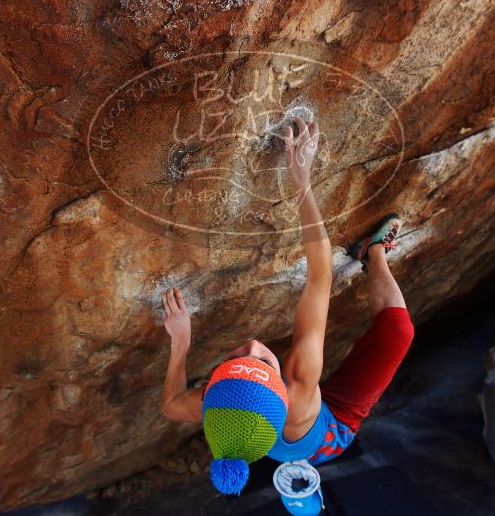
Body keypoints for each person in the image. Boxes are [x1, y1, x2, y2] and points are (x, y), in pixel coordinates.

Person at [160, 116, 415, 495]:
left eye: (236, 359)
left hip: (271, 422)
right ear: (280, 386)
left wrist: (180, 342)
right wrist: (301, 181)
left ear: (216, 383)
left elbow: (168, 406)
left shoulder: (215, 399)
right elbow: (319, 276)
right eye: (263, 361)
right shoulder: (297, 380)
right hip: (331, 430)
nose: (252, 346)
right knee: (399, 333)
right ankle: (373, 253)